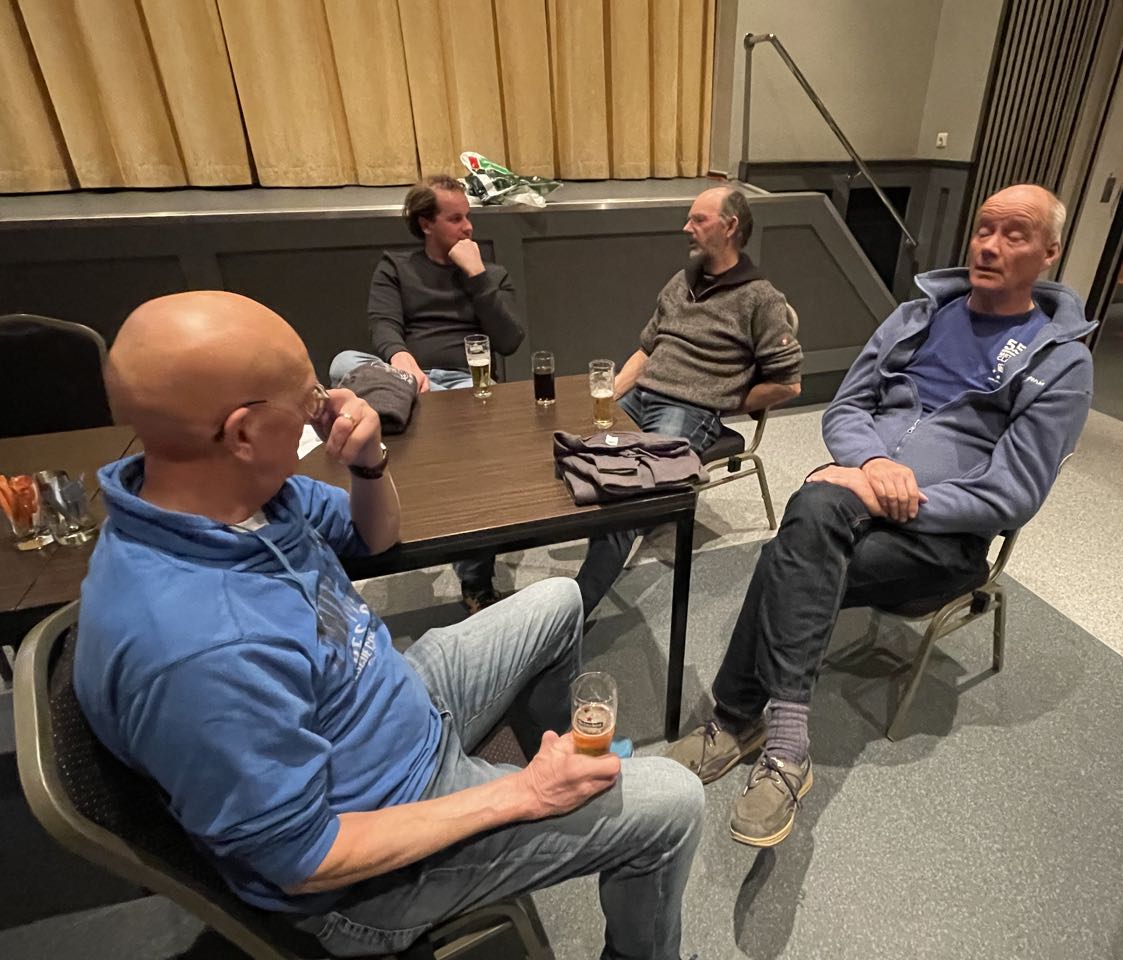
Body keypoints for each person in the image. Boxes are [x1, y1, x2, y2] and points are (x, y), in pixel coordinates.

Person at [75, 291, 704, 960]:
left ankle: (565, 766)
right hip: (367, 869)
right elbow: (304, 858)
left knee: (558, 600)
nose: (325, 411)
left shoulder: (236, 493)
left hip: (388, 707)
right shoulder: (198, 648)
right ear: (243, 434)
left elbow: (372, 537)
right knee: (674, 802)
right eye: (309, 401)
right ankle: (550, 805)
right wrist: (523, 794)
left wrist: (370, 461)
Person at [667, 184, 1095, 848]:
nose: (989, 246)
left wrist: (892, 497)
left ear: (1050, 253)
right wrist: (870, 465)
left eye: (1015, 235)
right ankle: (786, 746)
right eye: (983, 228)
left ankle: (737, 719)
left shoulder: (1061, 361)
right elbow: (846, 408)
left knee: (792, 545)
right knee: (814, 519)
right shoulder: (915, 317)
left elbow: (1014, 493)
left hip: (943, 544)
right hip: (849, 506)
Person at [575, 186, 803, 616]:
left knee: (627, 498)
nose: (686, 227)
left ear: (730, 227)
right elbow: (647, 349)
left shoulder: (760, 298)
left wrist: (720, 399)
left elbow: (789, 384)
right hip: (642, 396)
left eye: (698, 219)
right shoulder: (681, 282)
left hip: (687, 411)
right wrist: (610, 395)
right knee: (579, 454)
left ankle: (572, 610)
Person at [331, 174, 523, 613]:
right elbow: (383, 323)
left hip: (462, 382)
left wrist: (477, 276)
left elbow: (510, 340)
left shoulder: (490, 274)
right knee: (344, 362)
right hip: (406, 379)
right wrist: (401, 359)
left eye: (468, 217)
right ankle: (406, 409)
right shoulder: (396, 267)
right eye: (455, 219)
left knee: (474, 461)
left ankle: (475, 582)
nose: (468, 227)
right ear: (425, 223)